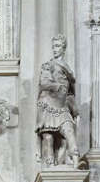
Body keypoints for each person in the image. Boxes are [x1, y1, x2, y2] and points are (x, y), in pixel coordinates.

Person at [35, 34, 82, 167]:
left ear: (63, 48)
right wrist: (57, 86)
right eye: (53, 46)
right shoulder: (48, 65)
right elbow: (43, 83)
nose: (55, 49)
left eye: (57, 46)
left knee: (69, 131)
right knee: (48, 138)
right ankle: (50, 167)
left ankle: (75, 162)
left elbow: (70, 93)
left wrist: (75, 109)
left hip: (62, 106)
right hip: (48, 104)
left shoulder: (68, 69)